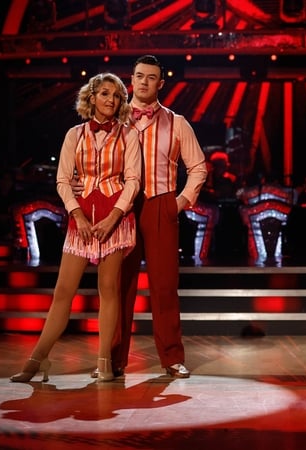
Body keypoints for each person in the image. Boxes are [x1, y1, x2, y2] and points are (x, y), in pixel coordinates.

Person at [10, 72, 141, 382]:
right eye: (105, 94)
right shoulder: (74, 134)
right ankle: (37, 359)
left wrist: (113, 218)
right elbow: (62, 180)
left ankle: (104, 362)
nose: (112, 100)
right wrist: (78, 215)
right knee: (63, 292)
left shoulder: (128, 135)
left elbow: (133, 181)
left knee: (108, 291)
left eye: (117, 95)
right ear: (91, 97)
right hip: (80, 220)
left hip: (115, 219)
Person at [84, 55, 207, 379]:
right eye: (139, 76)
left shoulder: (176, 122)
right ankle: (111, 360)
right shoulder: (116, 121)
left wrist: (179, 202)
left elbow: (198, 167)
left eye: (151, 77)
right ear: (131, 79)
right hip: (120, 208)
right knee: (118, 285)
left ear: (160, 83)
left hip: (160, 204)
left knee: (165, 286)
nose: (143, 82)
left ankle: (171, 357)